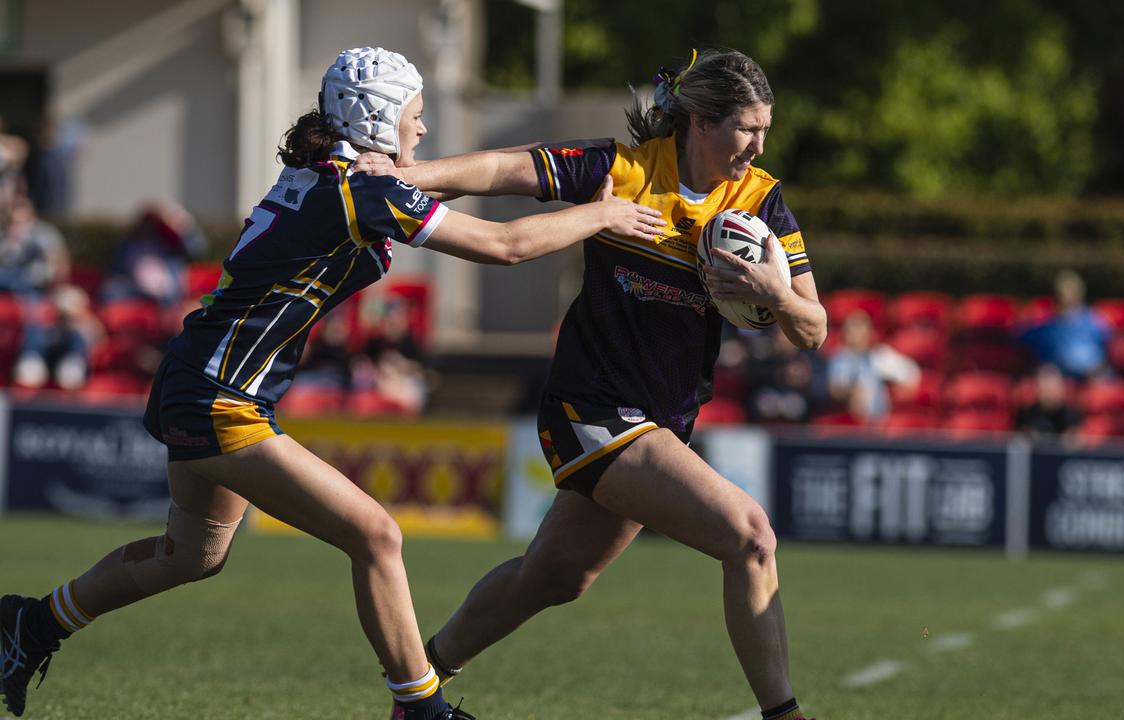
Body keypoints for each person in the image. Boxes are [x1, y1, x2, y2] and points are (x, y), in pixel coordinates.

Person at [0, 46, 664, 720]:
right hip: (218, 394)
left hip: (201, 379)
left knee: (191, 555)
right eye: (416, 114)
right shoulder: (358, 191)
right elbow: (506, 246)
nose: (424, 129)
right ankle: (422, 708)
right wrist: (603, 216)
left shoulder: (330, 177)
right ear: (378, 118)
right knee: (375, 535)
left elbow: (415, 195)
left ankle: (29, 625)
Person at [356, 48, 825, 720]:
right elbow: (503, 169)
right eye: (746, 128)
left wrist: (775, 291)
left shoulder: (761, 201)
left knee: (553, 579)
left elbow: (814, 328)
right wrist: (407, 174)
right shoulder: (625, 171)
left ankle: (416, 691)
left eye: (764, 129)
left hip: (658, 424)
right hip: (591, 408)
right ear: (699, 121)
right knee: (749, 535)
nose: (757, 144)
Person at [825, 310, 920, 423]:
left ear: (868, 332)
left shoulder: (879, 356)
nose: (855, 334)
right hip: (846, 422)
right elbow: (834, 387)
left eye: (859, 328)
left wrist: (895, 389)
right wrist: (849, 393)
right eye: (851, 329)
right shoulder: (838, 358)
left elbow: (911, 373)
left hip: (876, 423)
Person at [1018, 270, 1110, 381]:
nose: (1066, 300)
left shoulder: (1094, 321)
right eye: (1061, 296)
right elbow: (1021, 338)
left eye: (1071, 295)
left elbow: (1110, 344)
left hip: (1094, 374)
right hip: (1059, 376)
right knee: (1047, 376)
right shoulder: (1048, 327)